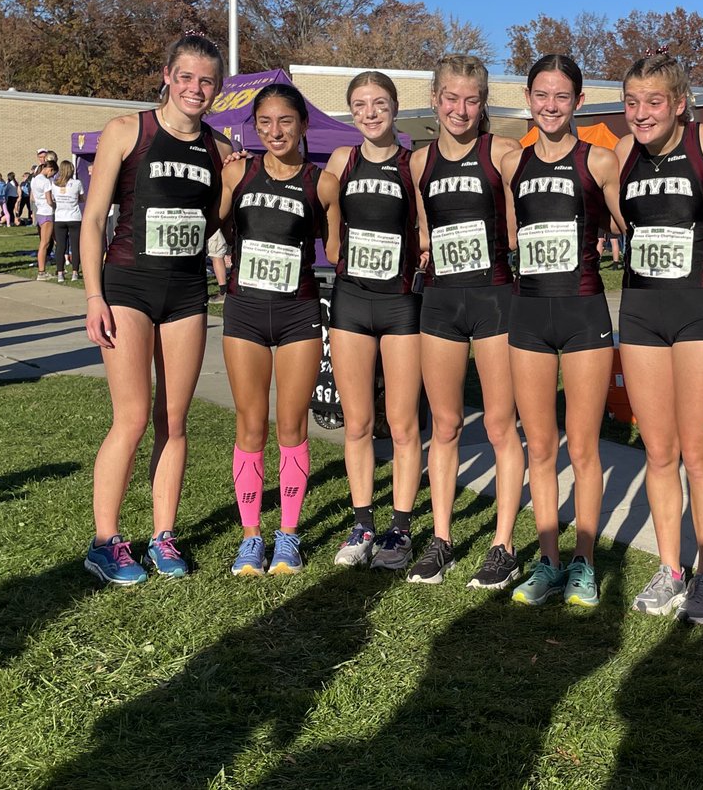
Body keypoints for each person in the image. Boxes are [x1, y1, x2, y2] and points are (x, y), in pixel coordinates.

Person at [80, 33, 233, 584]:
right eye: (187, 77)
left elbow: (214, 223)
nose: (196, 89)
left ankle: (163, 536)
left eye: (207, 81)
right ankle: (105, 541)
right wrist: (94, 295)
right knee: (133, 417)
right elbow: (94, 219)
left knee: (174, 419)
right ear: (167, 75)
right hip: (128, 287)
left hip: (187, 291)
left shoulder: (217, 148)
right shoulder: (128, 130)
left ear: (218, 87)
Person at [498, 54, 625, 607]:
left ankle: (584, 562)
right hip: (528, 315)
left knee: (585, 448)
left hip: (583, 314)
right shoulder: (512, 163)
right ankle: (548, 560)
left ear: (577, 102)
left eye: (562, 96)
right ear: (529, 99)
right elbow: (508, 230)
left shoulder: (599, 161)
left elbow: (631, 221)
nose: (551, 106)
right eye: (542, 95)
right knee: (541, 446)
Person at [614, 49, 703, 623]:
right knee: (658, 452)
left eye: (653, 102)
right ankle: (671, 567)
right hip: (639, 316)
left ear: (680, 104)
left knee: (698, 450)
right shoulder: (621, 153)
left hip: (701, 314)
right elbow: (617, 223)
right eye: (632, 103)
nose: (640, 113)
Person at [409, 54, 525, 587]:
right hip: (440, 303)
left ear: (483, 105)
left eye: (471, 99)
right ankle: (441, 539)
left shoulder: (501, 153)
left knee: (501, 425)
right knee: (447, 424)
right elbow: (423, 228)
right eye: (451, 98)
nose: (459, 109)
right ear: (435, 99)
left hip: (495, 300)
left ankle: (503, 544)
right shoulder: (418, 162)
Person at [217, 83, 333, 576]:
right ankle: (250, 537)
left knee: (291, 426)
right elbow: (205, 221)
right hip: (244, 313)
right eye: (264, 123)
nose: (275, 131)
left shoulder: (320, 182)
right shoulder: (238, 172)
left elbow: (346, 241)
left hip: (298, 314)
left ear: (303, 125)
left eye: (285, 121)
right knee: (250, 425)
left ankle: (287, 534)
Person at [323, 71, 424, 573]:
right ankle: (362, 522)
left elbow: (424, 230)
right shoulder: (343, 160)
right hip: (350, 303)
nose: (370, 112)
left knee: (403, 424)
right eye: (360, 104)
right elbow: (328, 225)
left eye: (379, 103)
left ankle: (400, 529)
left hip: (400, 304)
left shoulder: (413, 164)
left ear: (395, 107)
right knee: (358, 422)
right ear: (351, 111)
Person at [49, 161, 85, 282]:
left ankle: (60, 273)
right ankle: (75, 272)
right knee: (75, 246)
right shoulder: (77, 183)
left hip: (60, 217)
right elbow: (81, 198)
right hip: (74, 217)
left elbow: (53, 199)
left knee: (60, 246)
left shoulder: (55, 184)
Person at [30, 161, 57, 280]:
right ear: (50, 169)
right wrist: (55, 205)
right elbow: (49, 200)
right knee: (45, 243)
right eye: (53, 173)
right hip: (47, 212)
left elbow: (33, 198)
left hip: (40, 211)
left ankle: (44, 270)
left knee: (45, 242)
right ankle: (41, 272)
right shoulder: (46, 182)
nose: (52, 176)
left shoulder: (34, 179)